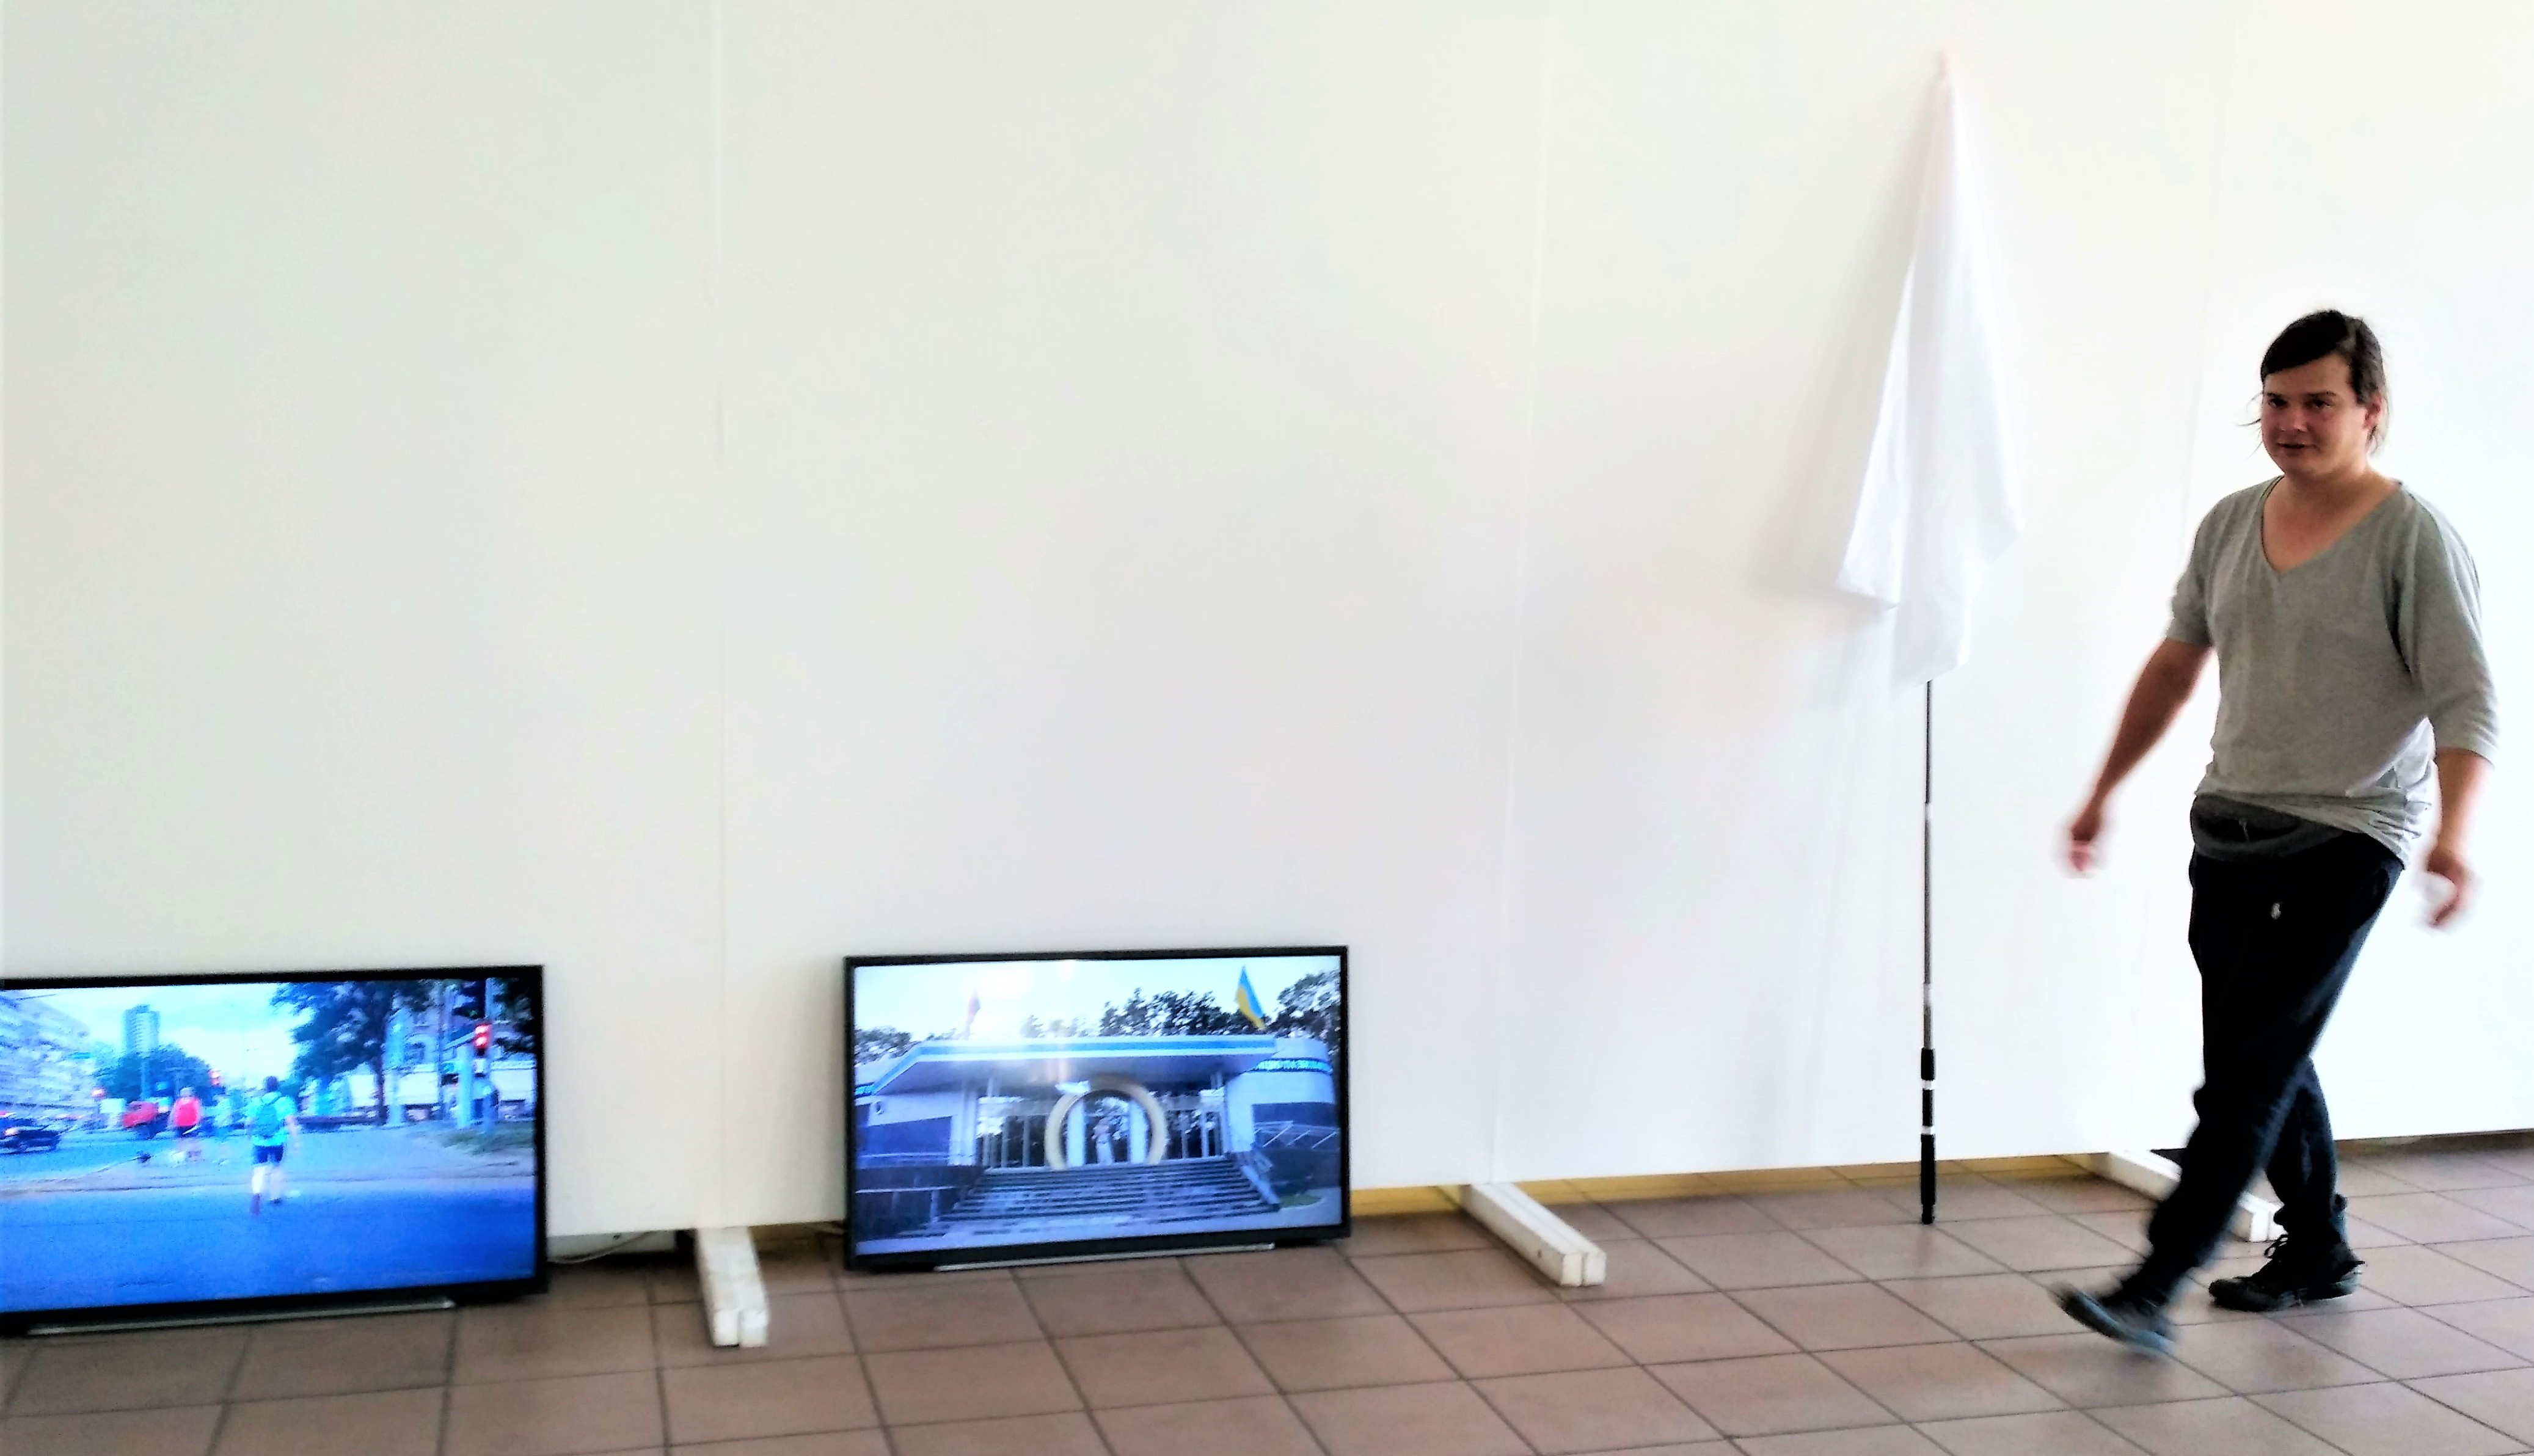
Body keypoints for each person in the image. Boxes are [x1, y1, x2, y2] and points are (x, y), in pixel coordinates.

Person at [2056, 311, 2496, 1353]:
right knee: (2259, 1058)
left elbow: (2465, 700)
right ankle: (2318, 1247)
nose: (2292, 421)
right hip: (2231, 827)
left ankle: (2153, 1282)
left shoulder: (2412, 537)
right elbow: (2175, 665)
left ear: (2370, 412)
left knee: (2246, 1076)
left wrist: (2453, 835)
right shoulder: (2229, 523)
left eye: (2318, 403)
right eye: (2276, 401)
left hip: (2350, 834)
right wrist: (2102, 789)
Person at [245, 1076, 300, 1215]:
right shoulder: (285, 1101)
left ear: (265, 1087)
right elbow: (290, 1122)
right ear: (278, 1086)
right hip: (278, 1139)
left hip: (259, 1140)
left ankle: (257, 1192)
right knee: (276, 1167)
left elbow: (249, 1123)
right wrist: (296, 1141)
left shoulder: (256, 1102)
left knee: (259, 1170)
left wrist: (250, 1136)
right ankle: (275, 1196)